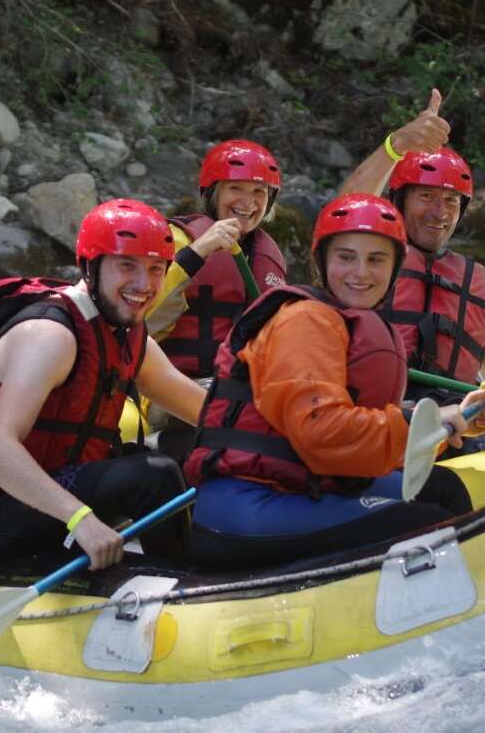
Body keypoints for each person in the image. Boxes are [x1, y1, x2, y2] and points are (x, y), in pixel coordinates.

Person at [183, 194, 485, 569]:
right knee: (424, 526)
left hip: (306, 484)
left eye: (376, 259)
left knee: (442, 489)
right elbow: (321, 431)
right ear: (322, 262)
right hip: (249, 502)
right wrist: (418, 425)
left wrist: (459, 419)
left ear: (395, 269)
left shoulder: (346, 322)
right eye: (346, 257)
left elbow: (365, 434)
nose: (360, 272)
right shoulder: (305, 321)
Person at [0, 199, 207, 568]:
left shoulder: (125, 332)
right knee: (154, 475)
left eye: (156, 269)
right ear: (90, 266)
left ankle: (182, 566)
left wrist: (278, 441)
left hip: (45, 491)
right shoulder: (52, 334)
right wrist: (79, 518)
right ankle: (181, 583)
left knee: (178, 454)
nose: (145, 285)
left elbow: (205, 411)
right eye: (127, 265)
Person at [340, 90, 485, 418]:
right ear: (400, 199)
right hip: (372, 416)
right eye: (427, 196)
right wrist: (398, 145)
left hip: (455, 424)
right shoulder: (368, 260)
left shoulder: (479, 281)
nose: (439, 212)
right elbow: (345, 209)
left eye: (451, 201)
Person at [148, 139, 286, 379]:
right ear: (213, 193)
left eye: (258, 191)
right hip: (168, 383)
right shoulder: (178, 239)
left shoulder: (268, 257)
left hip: (235, 386)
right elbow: (141, 316)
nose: (248, 201)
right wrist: (197, 252)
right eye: (235, 188)